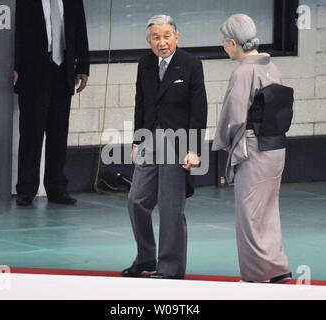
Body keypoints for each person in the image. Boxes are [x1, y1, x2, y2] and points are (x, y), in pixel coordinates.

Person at [122, 15, 207, 280]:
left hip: (178, 142)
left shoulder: (191, 64)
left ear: (177, 37)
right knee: (136, 201)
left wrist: (194, 150)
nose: (162, 42)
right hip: (149, 139)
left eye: (167, 35)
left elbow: (199, 110)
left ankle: (170, 267)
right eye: (156, 37)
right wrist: (137, 141)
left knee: (171, 207)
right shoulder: (145, 63)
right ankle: (146, 257)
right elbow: (141, 103)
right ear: (149, 41)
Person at [212, 14, 292, 283]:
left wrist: (222, 141)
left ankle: (258, 272)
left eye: (224, 44)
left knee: (249, 214)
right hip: (276, 147)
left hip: (254, 148)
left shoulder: (244, 71)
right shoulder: (271, 67)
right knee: (268, 210)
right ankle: (277, 265)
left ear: (233, 42)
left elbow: (234, 116)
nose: (224, 48)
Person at [13, 0, 89, 206]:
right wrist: (14, 65)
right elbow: (16, 33)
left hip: (63, 70)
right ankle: (26, 189)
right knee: (31, 132)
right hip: (33, 71)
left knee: (58, 133)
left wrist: (83, 66)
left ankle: (57, 188)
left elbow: (80, 29)